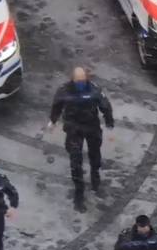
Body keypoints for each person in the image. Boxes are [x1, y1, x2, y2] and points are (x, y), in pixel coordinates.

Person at [48, 67, 115, 212]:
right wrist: (53, 120)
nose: (81, 83)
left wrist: (109, 122)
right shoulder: (64, 90)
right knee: (75, 161)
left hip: (91, 126)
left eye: (83, 81)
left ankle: (95, 178)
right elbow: (56, 106)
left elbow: (105, 105)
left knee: (95, 154)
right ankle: (79, 195)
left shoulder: (94, 89)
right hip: (74, 128)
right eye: (78, 81)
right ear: (73, 79)